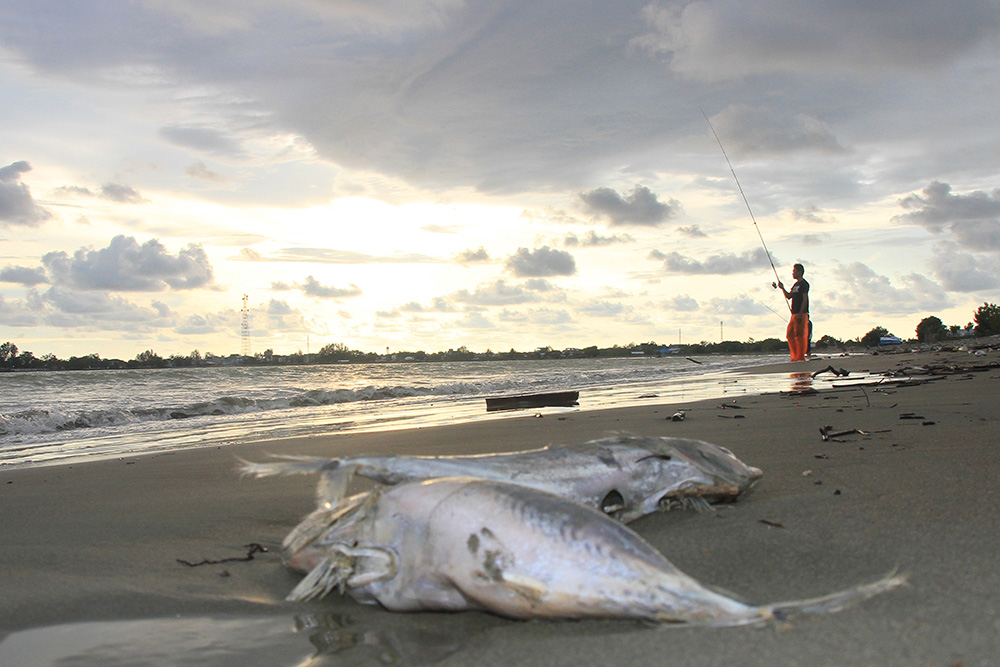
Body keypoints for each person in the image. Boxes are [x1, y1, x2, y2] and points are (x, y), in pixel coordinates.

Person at [776, 263, 810, 361]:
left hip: (801, 314)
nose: (793, 273)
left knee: (799, 335)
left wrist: (800, 313)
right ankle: (795, 356)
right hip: (794, 314)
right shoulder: (796, 285)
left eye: (794, 271)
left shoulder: (804, 284)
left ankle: (800, 357)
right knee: (790, 335)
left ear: (799, 272)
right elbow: (789, 296)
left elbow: (805, 299)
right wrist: (782, 288)